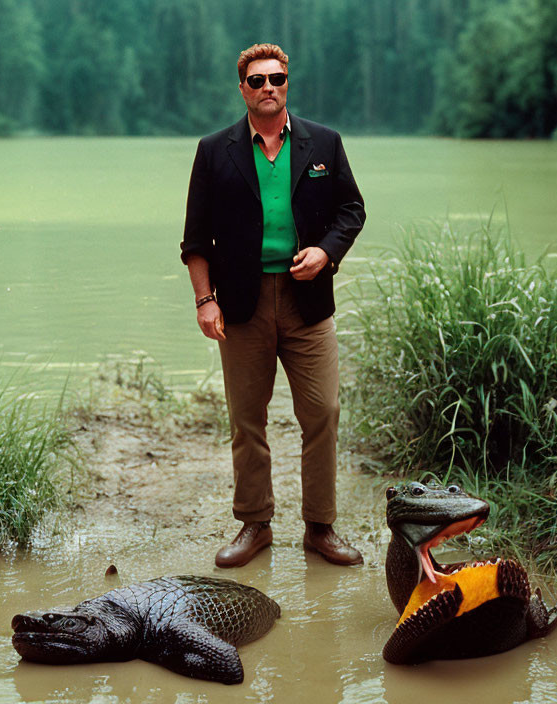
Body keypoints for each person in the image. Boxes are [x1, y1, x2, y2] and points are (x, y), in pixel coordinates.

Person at [180, 43, 366, 568]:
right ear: (242, 88)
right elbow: (194, 240)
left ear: (288, 84)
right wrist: (204, 301)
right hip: (242, 303)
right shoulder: (215, 150)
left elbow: (352, 210)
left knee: (323, 411)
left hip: (308, 302)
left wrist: (327, 252)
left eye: (277, 79)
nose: (269, 88)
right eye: (257, 81)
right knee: (246, 418)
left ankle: (321, 528)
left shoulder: (323, 143)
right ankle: (255, 525)